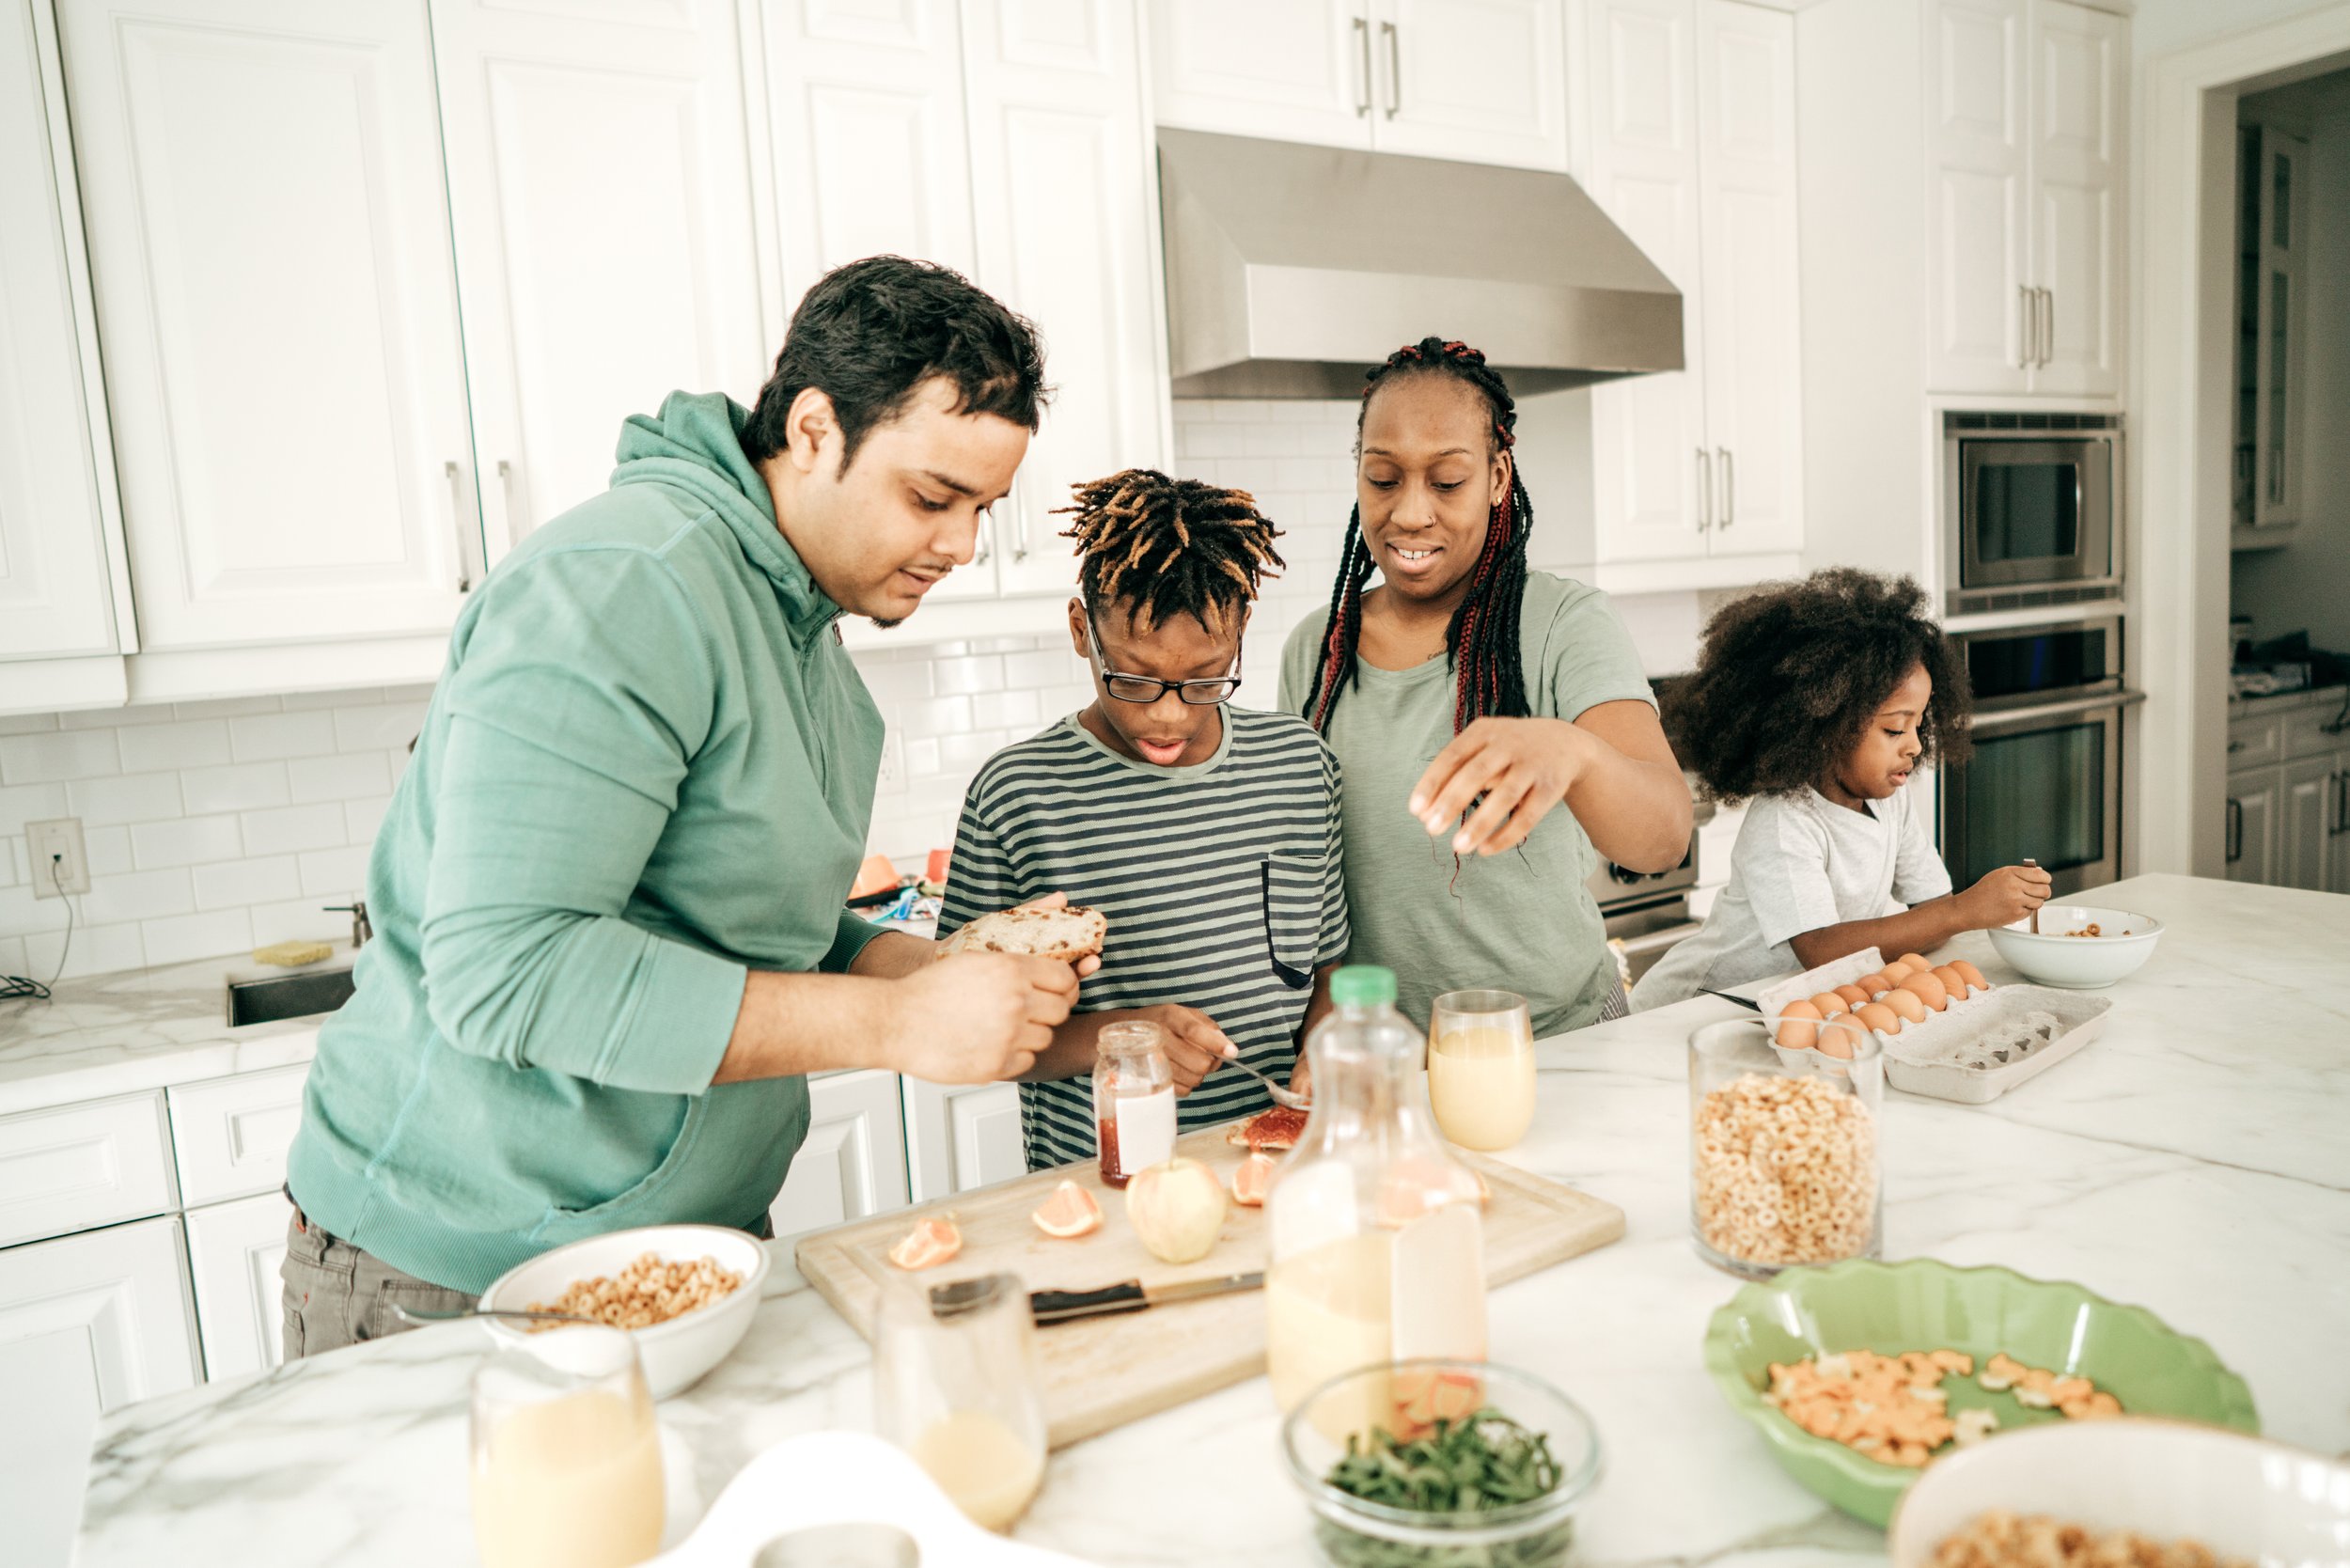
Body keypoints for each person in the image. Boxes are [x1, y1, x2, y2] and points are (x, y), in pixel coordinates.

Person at [280, 257, 1090, 1355]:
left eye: (981, 510)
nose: (958, 544)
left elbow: (737, 926)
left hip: (674, 1247)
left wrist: (923, 970)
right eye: (931, 497)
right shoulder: (627, 582)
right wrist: (898, 1025)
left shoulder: (798, 627)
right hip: (456, 1273)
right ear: (813, 430)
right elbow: (507, 971)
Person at [1277, 337, 1691, 1042]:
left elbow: (1664, 838)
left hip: (1565, 1039)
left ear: (1498, 476)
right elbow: (1305, 881)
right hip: (1386, 1057)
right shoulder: (1316, 651)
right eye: (1382, 479)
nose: (1410, 513)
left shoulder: (1563, 623)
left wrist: (1573, 754)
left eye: (1446, 483)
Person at [939, 469, 1347, 1170]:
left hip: (1279, 1171)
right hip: (1105, 1179)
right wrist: (1119, 1039)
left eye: (1206, 678)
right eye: (1131, 678)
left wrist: (1324, 1052)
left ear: (1241, 633)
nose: (1169, 715)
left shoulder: (1301, 767)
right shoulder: (1018, 795)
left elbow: (1329, 971)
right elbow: (963, 1028)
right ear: (1081, 632)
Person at [1631, 569, 2052, 1010]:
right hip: (1694, 1007)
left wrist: (1967, 910)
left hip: (1783, 1005)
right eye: (1894, 728)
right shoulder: (1786, 820)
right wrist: (1965, 911)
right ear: (1826, 726)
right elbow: (1821, 950)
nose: (1915, 745)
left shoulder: (1891, 802)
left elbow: (1933, 907)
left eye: (1919, 723)